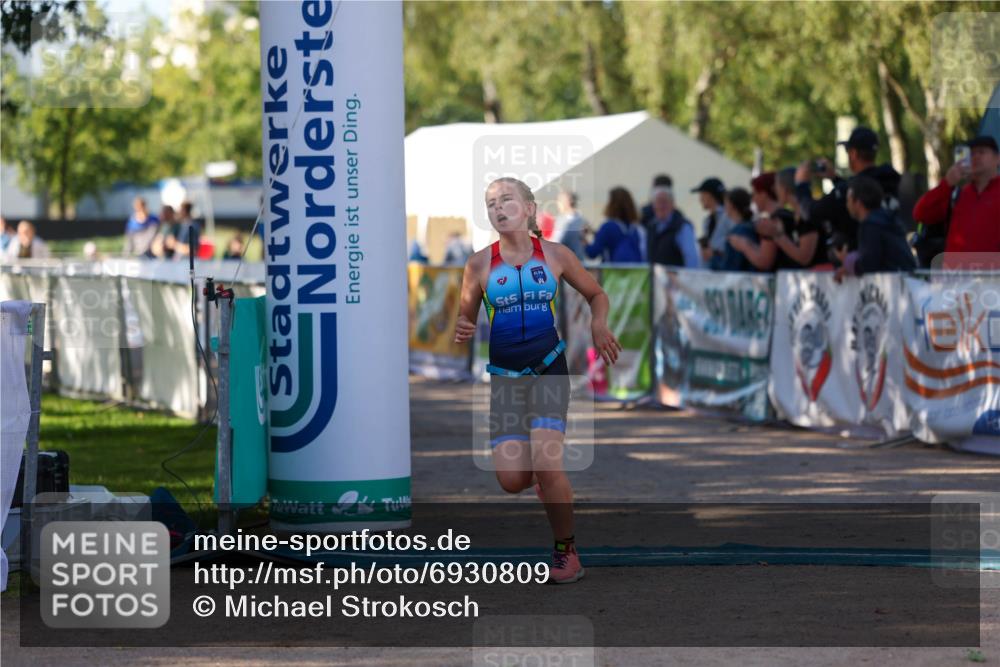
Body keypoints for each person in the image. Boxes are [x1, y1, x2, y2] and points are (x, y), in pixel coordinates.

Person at [454, 177, 622, 584]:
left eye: (507, 199)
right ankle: (545, 482)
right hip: (506, 381)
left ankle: (567, 552)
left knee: (549, 461)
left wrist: (599, 324)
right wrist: (463, 325)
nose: (498, 207)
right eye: (491, 202)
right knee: (511, 480)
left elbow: (597, 294)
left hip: (548, 368)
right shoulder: (478, 265)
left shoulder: (556, 255)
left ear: (529, 208)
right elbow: (466, 316)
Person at [795, 126, 901, 256]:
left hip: (860, 262)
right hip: (893, 256)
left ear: (853, 153)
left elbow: (812, 212)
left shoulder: (850, 190)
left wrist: (801, 185)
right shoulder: (891, 181)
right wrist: (835, 179)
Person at [912, 135, 1000, 254]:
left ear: (997, 158)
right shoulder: (958, 194)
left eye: (982, 152)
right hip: (956, 270)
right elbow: (920, 214)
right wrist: (946, 184)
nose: (976, 157)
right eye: (972, 154)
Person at [836, 176, 916, 279]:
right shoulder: (888, 219)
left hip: (895, 287)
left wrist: (848, 261)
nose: (847, 205)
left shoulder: (871, 225)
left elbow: (869, 264)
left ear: (858, 203)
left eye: (848, 200)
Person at [756, 167, 827, 269]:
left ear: (785, 189)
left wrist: (777, 235)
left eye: (777, 186)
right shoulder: (799, 215)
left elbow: (804, 257)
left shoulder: (806, 216)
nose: (775, 190)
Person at [725, 173, 782, 271]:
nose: (753, 199)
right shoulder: (783, 216)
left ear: (763, 194)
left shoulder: (770, 220)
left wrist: (743, 245)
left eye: (754, 193)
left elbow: (764, 262)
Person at [584, 187, 647, 263]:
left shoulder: (607, 227)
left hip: (612, 273)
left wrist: (583, 240)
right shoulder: (638, 229)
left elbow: (592, 253)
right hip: (636, 274)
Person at [647, 186, 699, 268]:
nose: (661, 206)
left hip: (676, 279)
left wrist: (689, 279)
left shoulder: (682, 226)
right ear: (653, 206)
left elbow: (691, 258)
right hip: (656, 278)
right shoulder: (651, 226)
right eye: (658, 202)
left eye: (664, 202)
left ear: (672, 204)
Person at [717, 188, 762, 272]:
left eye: (726, 203)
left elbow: (732, 266)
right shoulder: (753, 226)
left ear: (731, 205)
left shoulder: (738, 232)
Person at [691, 177, 731, 268]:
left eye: (702, 194)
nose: (700, 199)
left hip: (725, 271)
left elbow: (736, 243)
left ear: (709, 195)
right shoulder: (707, 221)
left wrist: (716, 252)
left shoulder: (728, 216)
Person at [551, 190, 587, 260]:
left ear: (566, 202)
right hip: (579, 262)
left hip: (566, 264)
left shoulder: (562, 221)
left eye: (559, 201)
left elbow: (556, 243)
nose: (557, 204)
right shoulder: (582, 220)